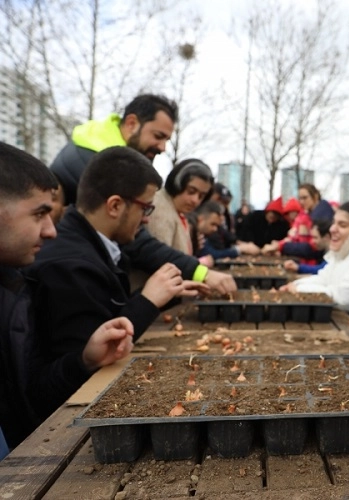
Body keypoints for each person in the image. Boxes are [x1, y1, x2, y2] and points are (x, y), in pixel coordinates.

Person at [25, 147, 205, 420]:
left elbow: (105, 314)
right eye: (145, 207)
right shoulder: (70, 266)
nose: (147, 218)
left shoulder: (89, 246)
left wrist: (169, 293)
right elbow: (91, 361)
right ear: (115, 205)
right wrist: (148, 299)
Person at [0, 142, 134, 455]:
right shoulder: (56, 270)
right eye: (39, 214)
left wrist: (84, 360)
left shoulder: (13, 292)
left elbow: (32, 396)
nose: (51, 231)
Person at [48, 93, 236, 295]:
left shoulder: (94, 149)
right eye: (158, 136)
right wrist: (200, 273)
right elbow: (138, 244)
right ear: (131, 123)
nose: (162, 148)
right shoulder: (104, 166)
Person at [280, 193, 349, 314]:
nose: (332, 229)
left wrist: (299, 289)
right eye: (334, 223)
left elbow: (345, 298)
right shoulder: (343, 253)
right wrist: (294, 285)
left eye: (342, 225)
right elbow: (324, 278)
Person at [130, 158, 214, 290]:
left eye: (201, 196)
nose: (195, 200)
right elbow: (160, 262)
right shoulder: (159, 207)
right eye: (191, 191)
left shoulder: (175, 210)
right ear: (177, 183)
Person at [189, 201, 257, 263]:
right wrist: (239, 249)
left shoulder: (201, 234)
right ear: (201, 219)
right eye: (213, 224)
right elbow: (212, 254)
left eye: (217, 226)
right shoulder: (190, 231)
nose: (215, 229)